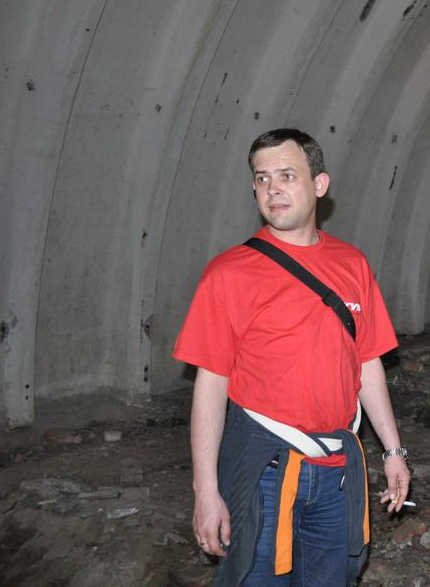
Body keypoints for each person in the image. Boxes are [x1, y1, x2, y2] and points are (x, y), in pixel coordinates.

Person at [173, 128, 410, 586]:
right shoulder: (228, 273)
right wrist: (206, 491)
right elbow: (211, 385)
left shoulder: (352, 264)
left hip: (336, 470)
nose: (272, 189)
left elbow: (367, 364)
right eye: (262, 178)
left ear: (319, 184)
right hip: (263, 469)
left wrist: (393, 452)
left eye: (286, 175)